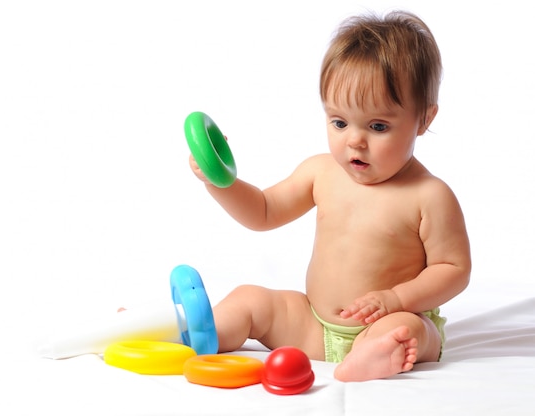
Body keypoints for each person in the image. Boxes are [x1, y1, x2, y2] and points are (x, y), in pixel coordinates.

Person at [188, 10, 471, 382]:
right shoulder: (321, 172)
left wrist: (397, 300)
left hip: (384, 321)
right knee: (250, 300)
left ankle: (375, 357)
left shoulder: (429, 195)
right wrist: (220, 183)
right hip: (312, 325)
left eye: (378, 126)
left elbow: (454, 270)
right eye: (339, 122)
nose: (354, 139)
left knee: (410, 331)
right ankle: (197, 338)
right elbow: (264, 211)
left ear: (424, 119)